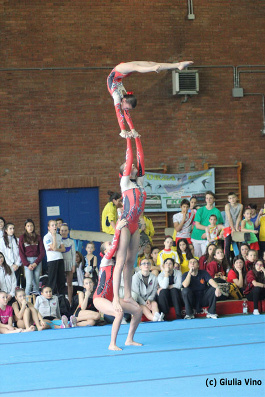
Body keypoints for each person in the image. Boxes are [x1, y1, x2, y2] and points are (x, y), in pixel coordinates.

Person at [93, 218, 143, 350]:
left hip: (111, 299)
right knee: (118, 313)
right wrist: (117, 230)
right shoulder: (104, 261)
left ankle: (129, 339)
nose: (112, 244)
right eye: (108, 244)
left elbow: (125, 249)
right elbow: (116, 245)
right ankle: (112, 344)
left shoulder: (118, 263)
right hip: (99, 298)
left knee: (138, 311)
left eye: (111, 243)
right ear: (104, 252)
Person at [107, 61, 193, 134]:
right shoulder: (124, 97)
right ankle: (178, 65)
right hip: (120, 75)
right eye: (127, 108)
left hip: (117, 71)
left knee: (139, 66)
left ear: (124, 101)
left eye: (126, 107)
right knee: (149, 63)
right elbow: (126, 114)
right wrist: (132, 130)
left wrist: (123, 130)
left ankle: (158, 67)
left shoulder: (117, 97)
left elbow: (119, 114)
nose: (125, 109)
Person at [112, 132, 146, 313]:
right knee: (121, 260)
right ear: (123, 172)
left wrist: (137, 138)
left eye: (132, 166)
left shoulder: (139, 182)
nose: (131, 166)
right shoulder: (125, 183)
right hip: (125, 224)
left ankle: (128, 295)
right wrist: (128, 138)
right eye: (127, 166)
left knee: (131, 261)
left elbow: (140, 159)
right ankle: (116, 298)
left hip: (135, 225)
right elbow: (131, 156)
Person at [191, 191, 224, 258]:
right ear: (205, 199)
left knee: (207, 257)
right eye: (207, 198)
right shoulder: (200, 210)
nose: (208, 200)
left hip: (209, 239)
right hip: (197, 236)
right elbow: (197, 225)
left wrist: (209, 233)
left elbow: (219, 227)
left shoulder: (217, 211)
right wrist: (209, 230)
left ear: (214, 199)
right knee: (197, 257)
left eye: (210, 198)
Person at [19, 219, 45, 296]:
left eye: (31, 226)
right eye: (28, 226)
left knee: (36, 281)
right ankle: (26, 302)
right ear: (25, 227)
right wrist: (27, 264)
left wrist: (36, 263)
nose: (30, 227)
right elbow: (21, 252)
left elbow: (42, 252)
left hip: (37, 261)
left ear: (34, 227)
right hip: (27, 261)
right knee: (29, 283)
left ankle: (36, 301)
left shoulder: (38, 237)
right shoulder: (22, 238)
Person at [43, 220, 66, 295]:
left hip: (60, 259)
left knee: (61, 280)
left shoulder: (59, 236)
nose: (55, 227)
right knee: (52, 280)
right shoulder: (47, 237)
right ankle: (52, 296)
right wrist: (54, 236)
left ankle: (63, 298)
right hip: (52, 260)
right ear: (49, 227)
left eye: (55, 225)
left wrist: (56, 249)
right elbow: (54, 246)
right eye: (52, 225)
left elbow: (63, 249)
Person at [223, 192, 243, 266]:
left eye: (234, 197)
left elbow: (239, 217)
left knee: (239, 243)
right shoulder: (227, 206)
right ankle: (227, 263)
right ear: (228, 200)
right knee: (227, 244)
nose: (232, 199)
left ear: (237, 198)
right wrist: (232, 229)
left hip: (237, 225)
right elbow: (229, 218)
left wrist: (236, 227)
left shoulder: (240, 206)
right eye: (230, 198)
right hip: (228, 226)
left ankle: (238, 260)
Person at [60, 223, 76, 304]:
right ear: (59, 231)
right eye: (62, 230)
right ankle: (62, 301)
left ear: (68, 231)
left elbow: (73, 254)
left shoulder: (71, 241)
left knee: (69, 283)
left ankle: (70, 302)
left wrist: (73, 265)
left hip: (69, 263)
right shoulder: (58, 240)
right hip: (61, 263)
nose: (63, 232)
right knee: (61, 283)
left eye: (65, 230)